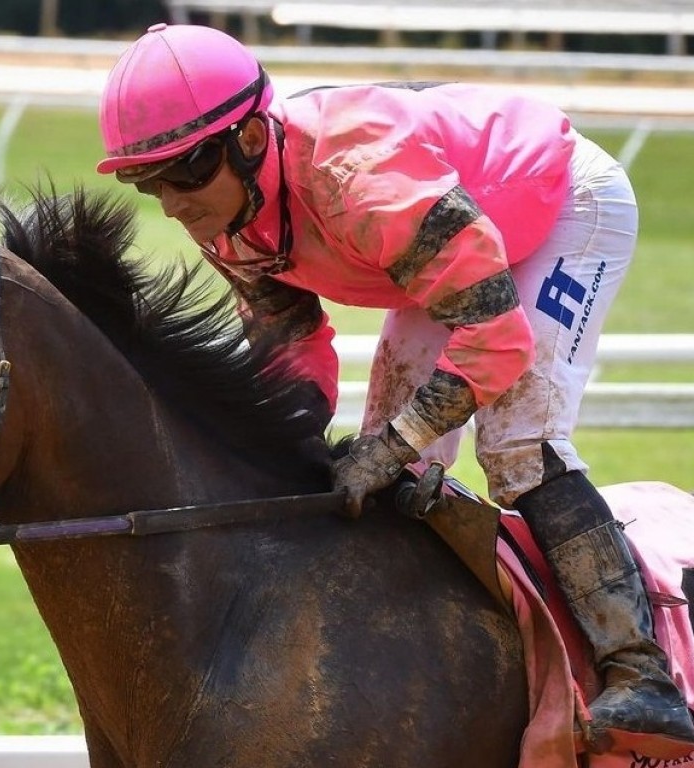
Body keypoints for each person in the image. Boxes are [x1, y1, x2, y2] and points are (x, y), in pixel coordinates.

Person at [95, 21, 694, 757]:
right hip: (433, 243)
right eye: (147, 180)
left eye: (184, 171)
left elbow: (497, 341)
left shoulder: (360, 181)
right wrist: (291, 447)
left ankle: (641, 674)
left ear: (250, 140)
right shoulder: (225, 212)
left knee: (517, 444)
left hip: (563, 205)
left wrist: (392, 444)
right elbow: (290, 342)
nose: (172, 202)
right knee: (397, 459)